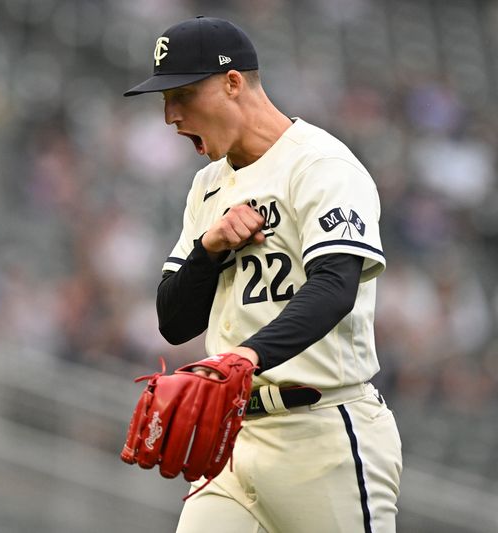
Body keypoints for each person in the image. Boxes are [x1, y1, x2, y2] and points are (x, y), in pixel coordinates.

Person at [123, 16, 402, 533]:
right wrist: (209, 247)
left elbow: (334, 288)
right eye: (164, 99)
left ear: (233, 83)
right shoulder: (208, 186)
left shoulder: (321, 166)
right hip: (232, 441)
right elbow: (174, 321)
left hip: (323, 434)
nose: (169, 115)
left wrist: (245, 356)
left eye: (182, 94)